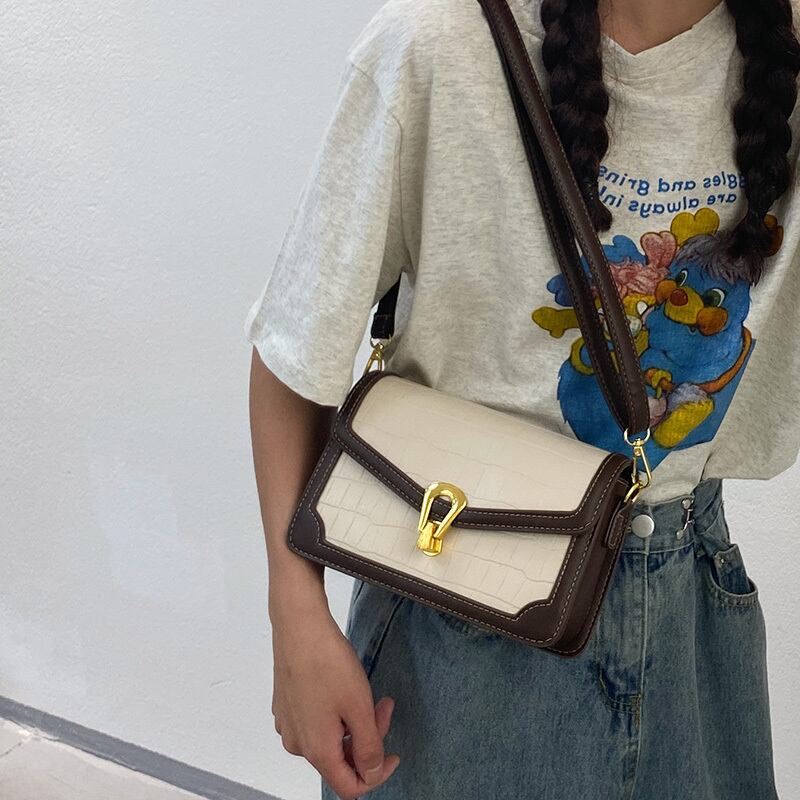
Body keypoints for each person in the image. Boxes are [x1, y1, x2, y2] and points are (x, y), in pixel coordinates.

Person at [245, 0, 800, 797]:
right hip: (456, 603)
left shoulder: (781, 53)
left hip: (691, 599)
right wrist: (295, 613)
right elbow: (295, 356)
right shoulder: (435, 45)